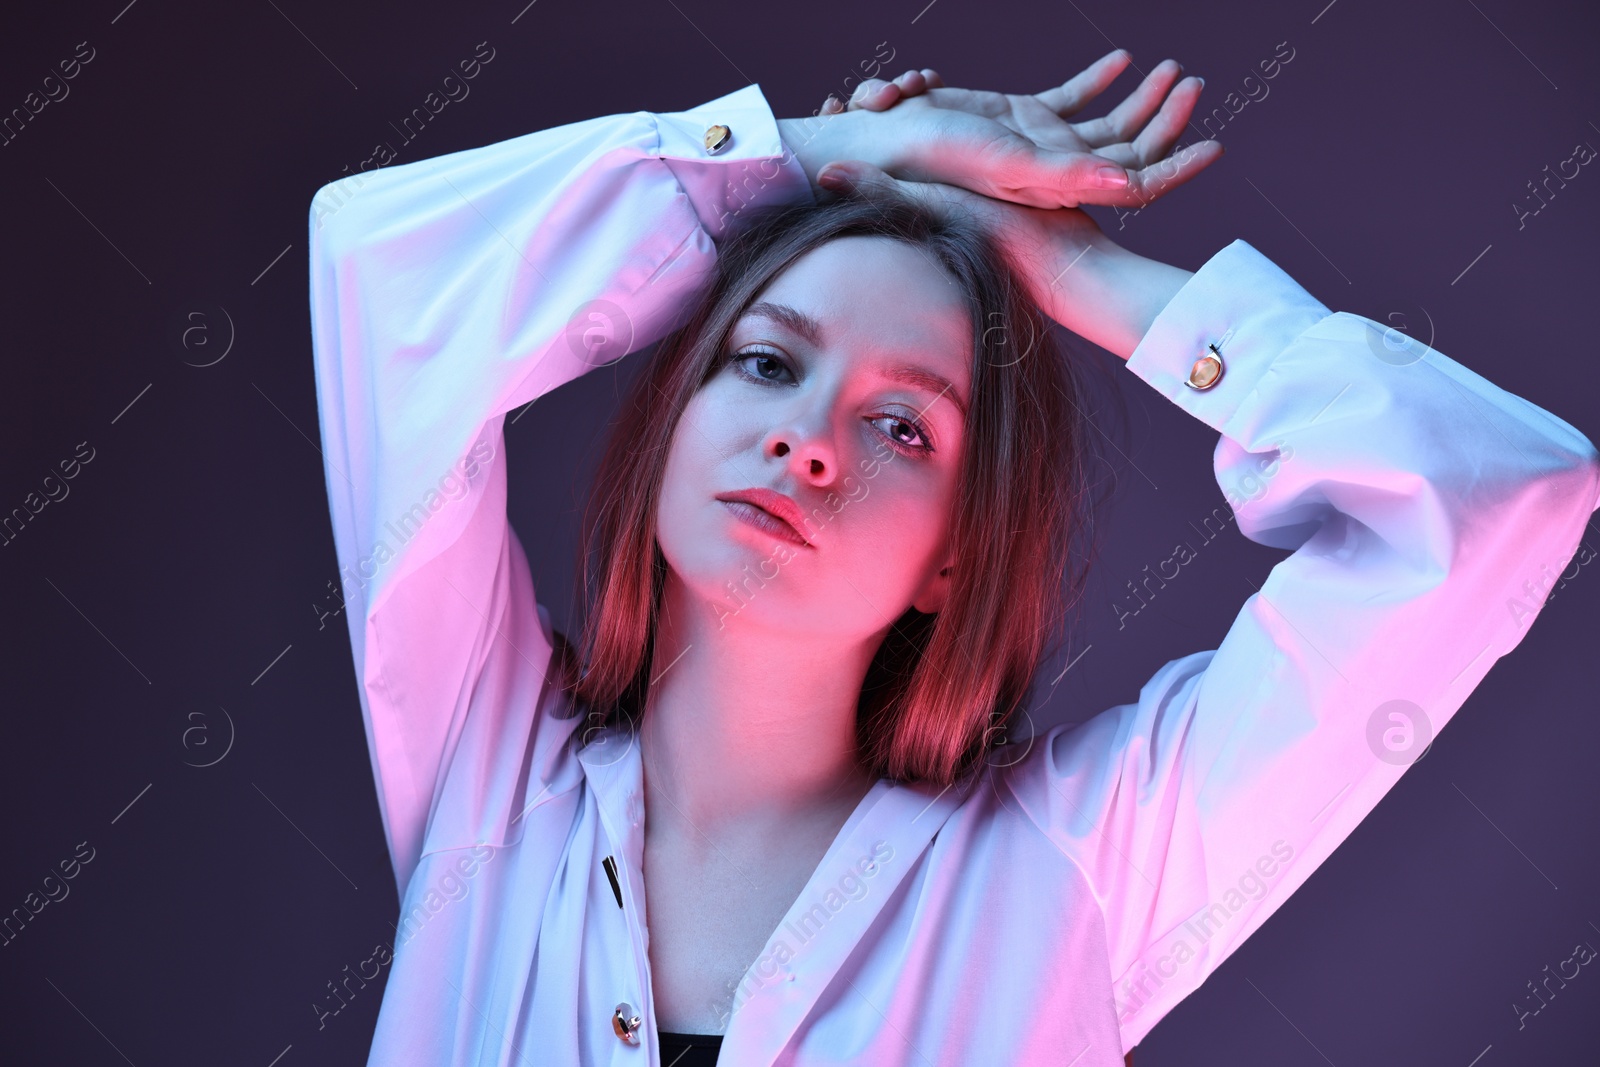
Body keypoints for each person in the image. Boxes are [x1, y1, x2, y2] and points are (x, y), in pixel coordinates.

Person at [306, 50, 1599, 1067]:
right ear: (672, 424)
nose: (809, 442)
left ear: (951, 558)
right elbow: (380, 269)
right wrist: (823, 156)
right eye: (766, 362)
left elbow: (1488, 496)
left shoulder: (1080, 872)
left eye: (902, 424)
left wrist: (1061, 267)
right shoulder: (489, 787)